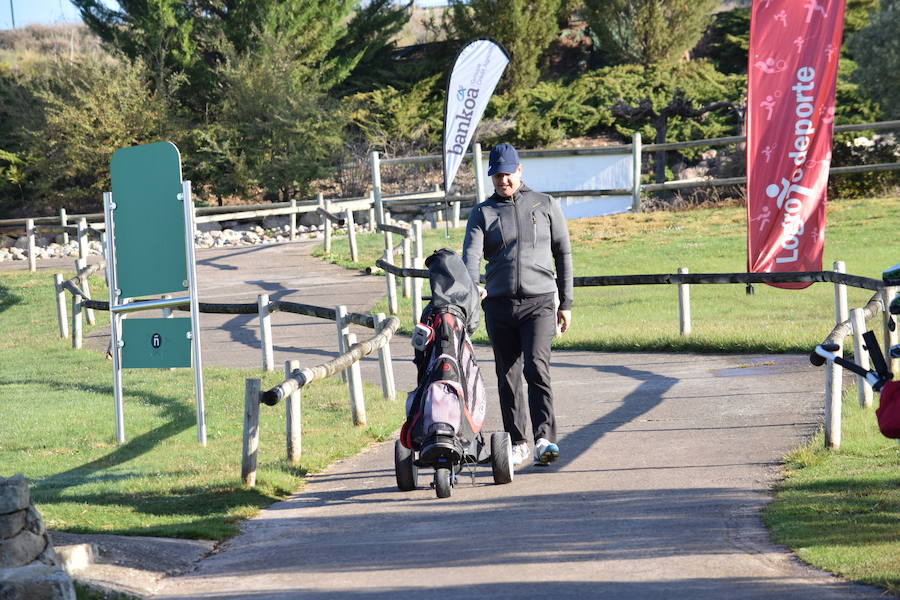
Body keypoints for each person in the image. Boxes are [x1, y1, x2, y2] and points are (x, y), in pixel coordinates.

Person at [462, 143, 573, 467]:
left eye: (507, 174)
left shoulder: (545, 204)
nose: (502, 181)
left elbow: (563, 253)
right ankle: (518, 442)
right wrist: (474, 288)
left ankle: (544, 439)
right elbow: (470, 255)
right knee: (507, 375)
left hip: (539, 302)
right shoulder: (483, 212)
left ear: (519, 171)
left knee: (536, 367)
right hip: (499, 304)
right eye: (496, 176)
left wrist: (566, 301)